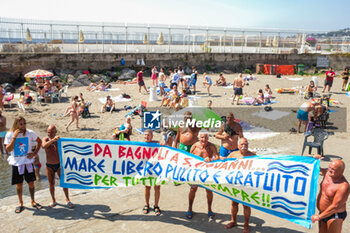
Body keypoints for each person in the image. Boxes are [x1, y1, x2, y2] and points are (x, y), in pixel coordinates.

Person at [4, 116, 42, 213]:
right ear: (16, 124)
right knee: (19, 184)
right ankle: (20, 203)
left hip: (28, 162)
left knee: (31, 183)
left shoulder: (30, 133)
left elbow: (39, 141)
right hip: (17, 163)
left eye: (24, 123)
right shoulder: (9, 134)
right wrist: (14, 137)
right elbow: (8, 149)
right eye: (21, 124)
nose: (23, 125)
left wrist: (34, 153)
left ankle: (33, 201)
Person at [311, 155, 350, 233]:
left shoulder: (343, 186)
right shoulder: (327, 173)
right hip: (323, 213)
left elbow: (335, 206)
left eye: (333, 169)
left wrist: (319, 217)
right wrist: (315, 161)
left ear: (341, 171)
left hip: (334, 215)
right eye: (329, 168)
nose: (330, 170)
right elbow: (316, 170)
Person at [186, 131, 219, 220]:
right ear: (199, 138)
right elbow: (188, 157)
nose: (204, 139)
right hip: (196, 172)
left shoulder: (211, 146)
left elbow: (217, 157)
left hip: (207, 172)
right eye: (202, 137)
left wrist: (211, 159)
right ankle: (189, 208)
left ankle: (209, 209)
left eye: (205, 137)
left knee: (209, 191)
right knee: (193, 189)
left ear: (208, 138)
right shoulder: (195, 146)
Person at [225, 138, 256, 232]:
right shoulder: (233, 154)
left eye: (246, 144)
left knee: (246, 205)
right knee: (234, 203)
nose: (244, 146)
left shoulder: (252, 156)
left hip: (247, 184)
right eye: (242, 144)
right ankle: (233, 221)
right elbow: (223, 164)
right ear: (238, 145)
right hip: (235, 183)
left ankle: (246, 225)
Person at [42, 125, 73, 208]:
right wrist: (52, 140)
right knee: (51, 183)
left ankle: (67, 199)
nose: (50, 134)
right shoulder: (45, 139)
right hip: (49, 165)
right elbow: (44, 146)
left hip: (59, 165)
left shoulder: (59, 140)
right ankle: (53, 200)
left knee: (63, 183)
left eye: (52, 132)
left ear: (55, 132)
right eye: (48, 132)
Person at [142, 129, 161, 216]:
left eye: (148, 135)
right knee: (147, 187)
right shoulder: (140, 145)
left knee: (157, 187)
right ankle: (147, 204)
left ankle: (156, 205)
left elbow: (166, 146)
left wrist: (160, 142)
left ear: (152, 136)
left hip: (156, 169)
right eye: (145, 135)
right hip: (147, 169)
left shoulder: (157, 145)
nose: (146, 136)